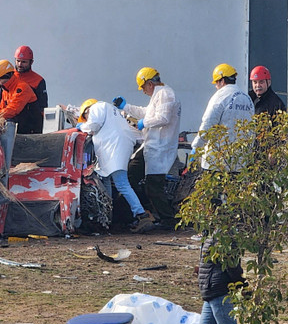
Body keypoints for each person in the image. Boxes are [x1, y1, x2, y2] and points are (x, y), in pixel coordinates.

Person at [113, 67, 181, 228]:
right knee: (130, 175)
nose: (143, 91)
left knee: (153, 186)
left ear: (149, 83)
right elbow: (147, 112)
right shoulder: (159, 95)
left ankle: (168, 220)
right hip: (151, 146)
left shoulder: (165, 94)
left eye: (143, 87)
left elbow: (162, 118)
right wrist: (126, 106)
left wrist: (143, 123)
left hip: (160, 147)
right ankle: (124, 216)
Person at [76, 98, 155, 233]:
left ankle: (141, 215)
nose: (87, 119)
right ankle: (107, 217)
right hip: (119, 147)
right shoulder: (112, 112)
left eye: (85, 117)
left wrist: (81, 127)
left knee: (121, 183)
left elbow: (93, 125)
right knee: (106, 180)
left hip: (114, 149)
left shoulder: (96, 108)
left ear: (86, 111)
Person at [191, 63, 254, 171]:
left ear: (222, 81)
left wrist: (196, 147)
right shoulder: (246, 99)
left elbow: (208, 125)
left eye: (216, 83)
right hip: (239, 163)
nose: (216, 86)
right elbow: (252, 130)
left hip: (216, 163)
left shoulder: (219, 97)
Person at [196, 233, 245, 324]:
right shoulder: (225, 238)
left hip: (209, 290)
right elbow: (232, 266)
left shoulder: (210, 236)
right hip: (219, 292)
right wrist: (244, 285)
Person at [0, 46, 48, 130]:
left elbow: (42, 108)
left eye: (24, 62)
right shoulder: (6, 76)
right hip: (10, 120)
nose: (20, 64)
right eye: (18, 61)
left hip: (29, 124)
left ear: (31, 62)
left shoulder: (38, 81)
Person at [0, 59, 42, 134]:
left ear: (7, 77)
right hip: (18, 129)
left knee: (9, 124)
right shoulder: (5, 89)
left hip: (30, 131)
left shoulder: (22, 88)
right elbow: (1, 107)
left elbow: (13, 109)